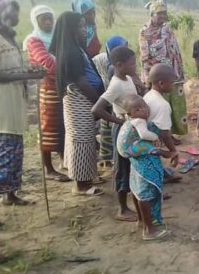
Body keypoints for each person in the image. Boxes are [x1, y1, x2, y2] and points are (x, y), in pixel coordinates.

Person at [0, 0, 45, 206]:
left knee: (14, 154)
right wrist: (24, 75)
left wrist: (28, 71)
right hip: (1, 107)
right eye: (12, 11)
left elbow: (11, 69)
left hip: (15, 105)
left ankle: (10, 195)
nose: (16, 16)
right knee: (0, 156)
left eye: (16, 11)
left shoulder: (10, 38)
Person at [53, 11, 104, 196]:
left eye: (85, 26)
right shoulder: (71, 52)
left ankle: (86, 178)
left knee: (85, 139)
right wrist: (99, 102)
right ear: (71, 29)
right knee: (81, 140)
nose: (85, 30)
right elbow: (81, 81)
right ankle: (81, 185)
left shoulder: (75, 48)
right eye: (81, 26)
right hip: (79, 100)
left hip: (81, 101)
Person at [91, 46, 140, 221]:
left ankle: (140, 198)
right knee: (122, 168)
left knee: (134, 164)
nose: (135, 66)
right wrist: (121, 121)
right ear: (119, 65)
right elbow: (97, 109)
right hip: (122, 130)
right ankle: (122, 208)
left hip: (131, 128)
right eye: (132, 63)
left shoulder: (127, 78)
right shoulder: (116, 84)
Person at [116, 94, 174, 241]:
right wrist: (156, 139)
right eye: (138, 109)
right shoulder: (139, 122)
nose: (144, 111)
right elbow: (144, 134)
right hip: (132, 152)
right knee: (145, 195)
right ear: (130, 113)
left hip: (130, 156)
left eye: (144, 106)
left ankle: (141, 220)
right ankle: (150, 230)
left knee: (137, 191)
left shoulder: (130, 121)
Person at [24, 5, 69, 182]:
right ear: (36, 21)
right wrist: (67, 70)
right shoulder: (34, 40)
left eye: (51, 18)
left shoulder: (56, 37)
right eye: (44, 19)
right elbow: (47, 63)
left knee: (62, 123)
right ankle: (48, 168)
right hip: (47, 87)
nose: (49, 22)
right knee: (48, 126)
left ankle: (63, 160)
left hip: (61, 85)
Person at [139, 1, 188, 137]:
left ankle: (174, 133)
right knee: (161, 105)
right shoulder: (144, 31)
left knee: (176, 104)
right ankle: (162, 135)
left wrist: (177, 70)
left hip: (174, 72)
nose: (162, 16)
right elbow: (145, 56)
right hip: (158, 75)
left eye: (164, 13)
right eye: (159, 13)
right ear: (152, 14)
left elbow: (174, 49)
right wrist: (149, 77)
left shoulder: (167, 29)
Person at [92, 36, 128, 172]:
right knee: (111, 137)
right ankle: (111, 165)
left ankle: (109, 163)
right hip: (114, 109)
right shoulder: (114, 70)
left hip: (113, 108)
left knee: (109, 136)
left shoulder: (118, 69)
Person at [144, 64, 181, 170]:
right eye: (172, 83)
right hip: (147, 145)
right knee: (153, 173)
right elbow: (164, 133)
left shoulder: (148, 95)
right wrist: (173, 151)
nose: (173, 86)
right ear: (161, 83)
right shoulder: (162, 105)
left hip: (141, 141)